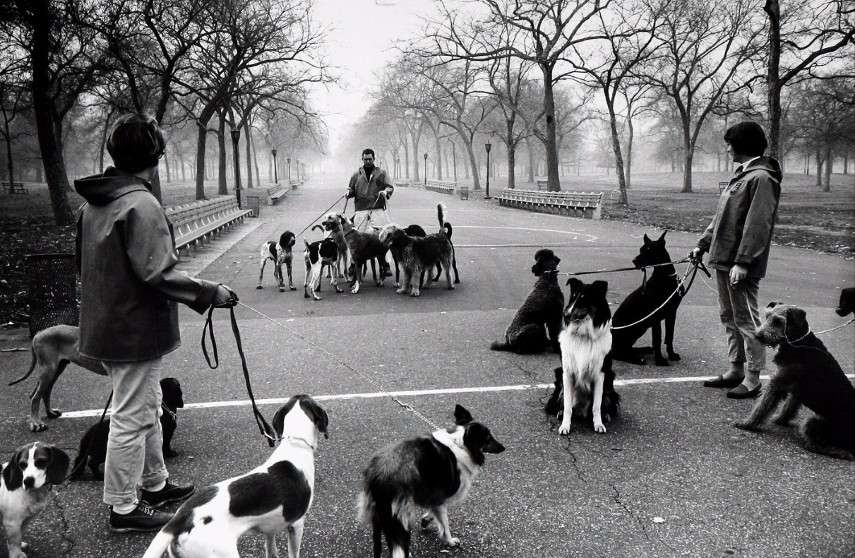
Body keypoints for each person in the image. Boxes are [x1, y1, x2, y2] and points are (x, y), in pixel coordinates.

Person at [74, 113, 238, 533]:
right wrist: (208, 292)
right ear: (156, 156)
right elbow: (158, 273)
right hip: (133, 330)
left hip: (108, 324)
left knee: (145, 407)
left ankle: (154, 483)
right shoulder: (140, 204)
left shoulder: (94, 204)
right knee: (131, 416)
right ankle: (123, 507)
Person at [690, 121, 781, 399]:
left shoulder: (762, 178)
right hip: (723, 258)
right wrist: (703, 243)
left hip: (739, 263)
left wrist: (743, 261)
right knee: (728, 317)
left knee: (746, 320)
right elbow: (721, 218)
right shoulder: (742, 175)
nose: (727, 147)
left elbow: (758, 224)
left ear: (742, 145)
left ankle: (753, 379)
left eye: (730, 142)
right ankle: (735, 369)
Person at [346, 147, 395, 233]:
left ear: (374, 159)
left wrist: (385, 192)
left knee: (379, 236)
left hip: (377, 209)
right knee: (360, 237)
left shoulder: (382, 173)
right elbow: (351, 190)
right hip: (361, 210)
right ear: (362, 159)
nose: (368, 161)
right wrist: (348, 193)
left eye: (370, 159)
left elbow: (389, 187)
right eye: (365, 159)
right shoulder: (356, 175)